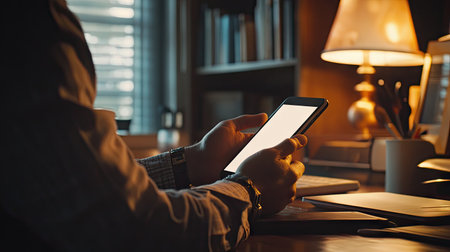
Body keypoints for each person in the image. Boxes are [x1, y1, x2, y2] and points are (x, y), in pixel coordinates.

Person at [1, 0, 307, 251]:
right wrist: (250, 188)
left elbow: (69, 187)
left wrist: (189, 162)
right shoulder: (32, 25)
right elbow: (140, 229)